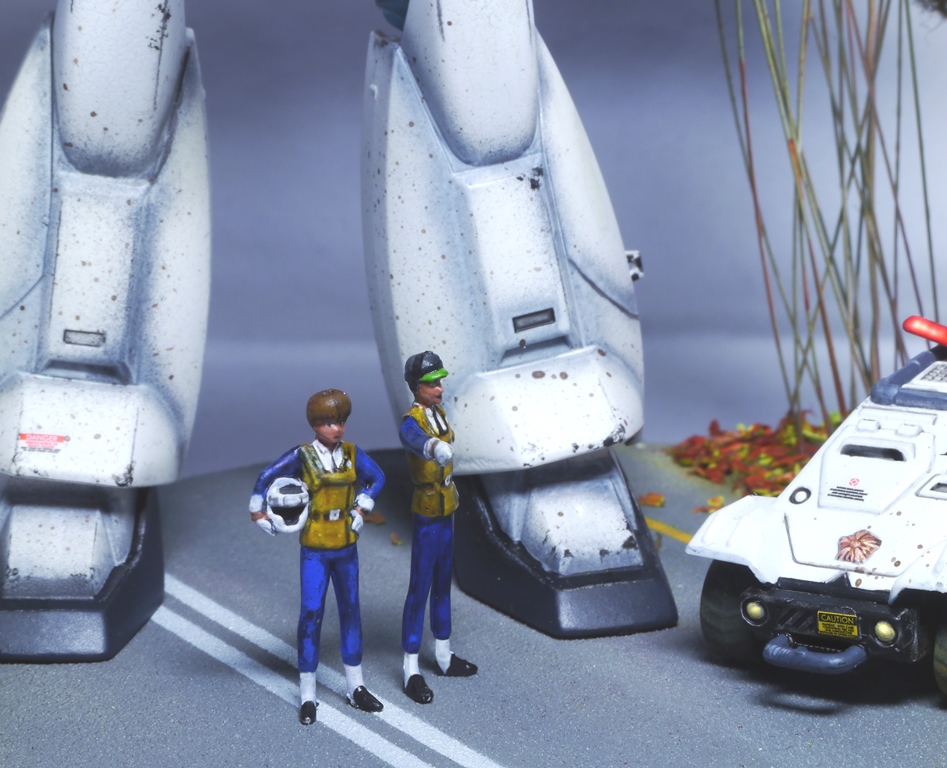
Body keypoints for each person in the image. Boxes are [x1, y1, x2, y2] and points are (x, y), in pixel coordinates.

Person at [249, 389, 385, 725]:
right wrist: (258, 512)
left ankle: (356, 686)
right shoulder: (303, 455)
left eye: (340, 421)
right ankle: (307, 693)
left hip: (346, 545)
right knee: (311, 613)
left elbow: (377, 477)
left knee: (350, 610)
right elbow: (266, 477)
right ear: (315, 424)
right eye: (328, 423)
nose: (336, 429)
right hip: (314, 547)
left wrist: (362, 506)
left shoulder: (352, 454)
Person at [399, 352, 478, 704]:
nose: (440, 388)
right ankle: (410, 668)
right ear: (417, 387)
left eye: (440, 382)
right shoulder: (412, 420)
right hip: (428, 509)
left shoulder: (439, 413)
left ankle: (443, 655)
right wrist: (433, 447)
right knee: (421, 586)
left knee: (444, 583)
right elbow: (415, 440)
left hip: (447, 506)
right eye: (432, 383)